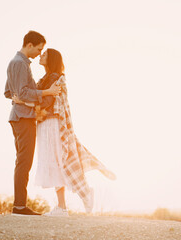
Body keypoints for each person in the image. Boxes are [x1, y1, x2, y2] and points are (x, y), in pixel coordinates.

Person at [13, 48, 116, 216]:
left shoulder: (54, 78)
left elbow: (46, 101)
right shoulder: (46, 78)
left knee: (59, 162)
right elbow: (39, 97)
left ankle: (68, 204)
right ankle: (66, 205)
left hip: (53, 124)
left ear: (51, 59)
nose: (41, 55)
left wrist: (24, 103)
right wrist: (25, 100)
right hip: (45, 123)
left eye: (44, 54)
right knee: (55, 163)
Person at [4, 31, 62, 216]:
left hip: (18, 115)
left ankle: (19, 205)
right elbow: (21, 93)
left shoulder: (15, 62)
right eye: (39, 49)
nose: (39, 53)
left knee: (22, 161)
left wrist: (19, 99)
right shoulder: (20, 64)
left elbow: (8, 92)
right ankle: (20, 207)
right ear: (29, 45)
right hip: (24, 118)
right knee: (24, 162)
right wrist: (47, 92)